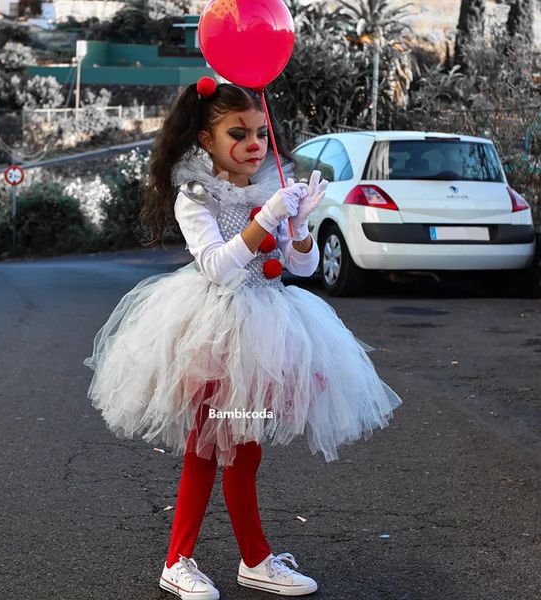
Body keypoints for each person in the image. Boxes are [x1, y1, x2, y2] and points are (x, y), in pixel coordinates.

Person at [83, 77, 403, 600]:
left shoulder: (267, 187)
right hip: (214, 336)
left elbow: (301, 266)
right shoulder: (197, 195)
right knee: (207, 448)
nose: (255, 143)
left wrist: (298, 225)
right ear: (206, 140)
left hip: (266, 333)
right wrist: (269, 217)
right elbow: (217, 267)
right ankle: (181, 560)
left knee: (243, 449)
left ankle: (252, 559)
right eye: (239, 133)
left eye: (260, 131)